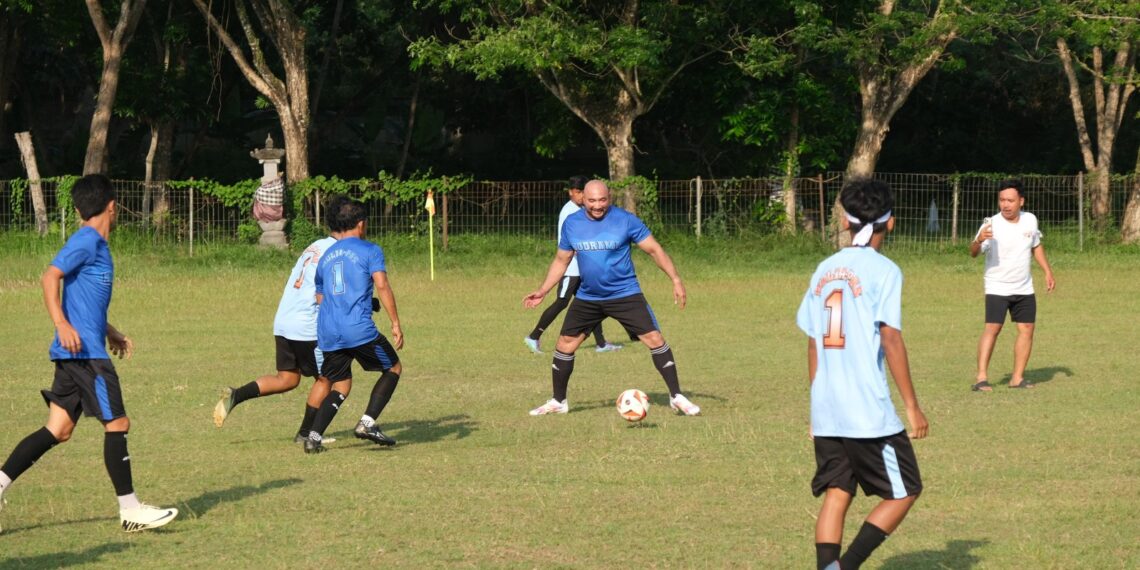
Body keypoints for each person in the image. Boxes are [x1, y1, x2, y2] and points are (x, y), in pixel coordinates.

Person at [0, 174, 178, 533]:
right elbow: (50, 277)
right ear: (112, 207)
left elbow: (84, 297)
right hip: (85, 355)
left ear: (81, 208)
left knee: (58, 429)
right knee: (117, 423)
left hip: (78, 352)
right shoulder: (88, 240)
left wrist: (110, 330)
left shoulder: (92, 243)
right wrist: (62, 325)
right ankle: (130, 509)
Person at [795, 178, 929, 570]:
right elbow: (890, 337)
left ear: (844, 218)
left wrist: (816, 402)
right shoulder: (885, 270)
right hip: (866, 413)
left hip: (827, 408)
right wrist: (912, 407)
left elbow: (812, 341)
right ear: (891, 222)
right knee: (905, 491)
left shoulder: (825, 268)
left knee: (838, 491)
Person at [522, 179, 700, 416]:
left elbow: (654, 249)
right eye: (592, 200)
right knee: (565, 344)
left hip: (625, 293)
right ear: (582, 199)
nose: (597, 205)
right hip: (588, 296)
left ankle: (677, 397)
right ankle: (558, 401)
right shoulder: (572, 224)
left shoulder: (625, 220)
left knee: (654, 338)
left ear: (610, 198)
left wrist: (676, 280)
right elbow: (561, 260)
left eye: (602, 200)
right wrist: (543, 290)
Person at [213, 235, 340, 445]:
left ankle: (237, 395)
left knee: (287, 378)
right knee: (326, 378)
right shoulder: (337, 251)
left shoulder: (315, 245)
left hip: (284, 319)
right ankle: (306, 434)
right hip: (306, 324)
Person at [302, 195, 404, 454]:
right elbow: (382, 285)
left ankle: (313, 437)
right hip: (357, 329)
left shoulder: (326, 257)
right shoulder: (370, 250)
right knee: (392, 367)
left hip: (328, 330)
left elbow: (321, 297)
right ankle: (367, 423)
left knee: (341, 384)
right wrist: (395, 323)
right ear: (360, 224)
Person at [969, 179, 1056, 391]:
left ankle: (1017, 378)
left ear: (1021, 201)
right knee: (993, 328)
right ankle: (981, 378)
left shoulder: (1030, 220)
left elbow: (1036, 246)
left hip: (1024, 287)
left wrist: (1047, 271)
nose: (1005, 205)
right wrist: (979, 240)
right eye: (1002, 200)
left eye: (1010, 200)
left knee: (1027, 328)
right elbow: (973, 253)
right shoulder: (991, 224)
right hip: (997, 286)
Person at [524, 175, 623, 354]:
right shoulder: (569, 212)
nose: (579, 196)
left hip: (583, 269)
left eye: (582, 193)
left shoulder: (584, 211)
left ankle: (601, 344)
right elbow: (569, 244)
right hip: (571, 269)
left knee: (593, 302)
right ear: (571, 192)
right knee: (561, 303)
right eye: (577, 192)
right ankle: (533, 336)